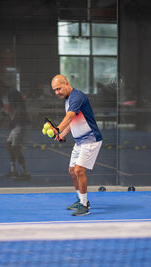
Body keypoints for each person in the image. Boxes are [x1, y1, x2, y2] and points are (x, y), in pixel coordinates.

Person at [50, 74, 103, 216]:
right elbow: (72, 121)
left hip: (91, 139)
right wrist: (61, 134)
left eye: (59, 88)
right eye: (55, 90)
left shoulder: (77, 96)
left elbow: (69, 117)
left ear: (66, 83)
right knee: (72, 170)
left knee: (79, 170)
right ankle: (80, 199)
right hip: (79, 141)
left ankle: (85, 206)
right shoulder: (67, 100)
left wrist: (57, 129)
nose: (57, 92)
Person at [0, 76, 31, 180]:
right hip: (16, 124)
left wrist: (12, 121)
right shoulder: (3, 95)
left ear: (0, 85)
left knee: (15, 147)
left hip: (22, 123)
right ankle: (13, 171)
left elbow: (19, 109)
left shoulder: (12, 92)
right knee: (9, 145)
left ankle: (25, 173)